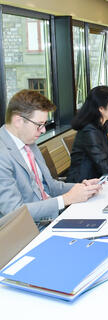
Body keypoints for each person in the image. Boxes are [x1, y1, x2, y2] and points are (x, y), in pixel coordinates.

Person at [0, 90, 102, 224]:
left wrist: (82, 188)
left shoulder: (28, 141)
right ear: (18, 121)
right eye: (39, 125)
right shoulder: (3, 154)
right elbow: (14, 212)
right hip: (31, 229)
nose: (43, 130)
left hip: (53, 218)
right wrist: (65, 199)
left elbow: (50, 186)